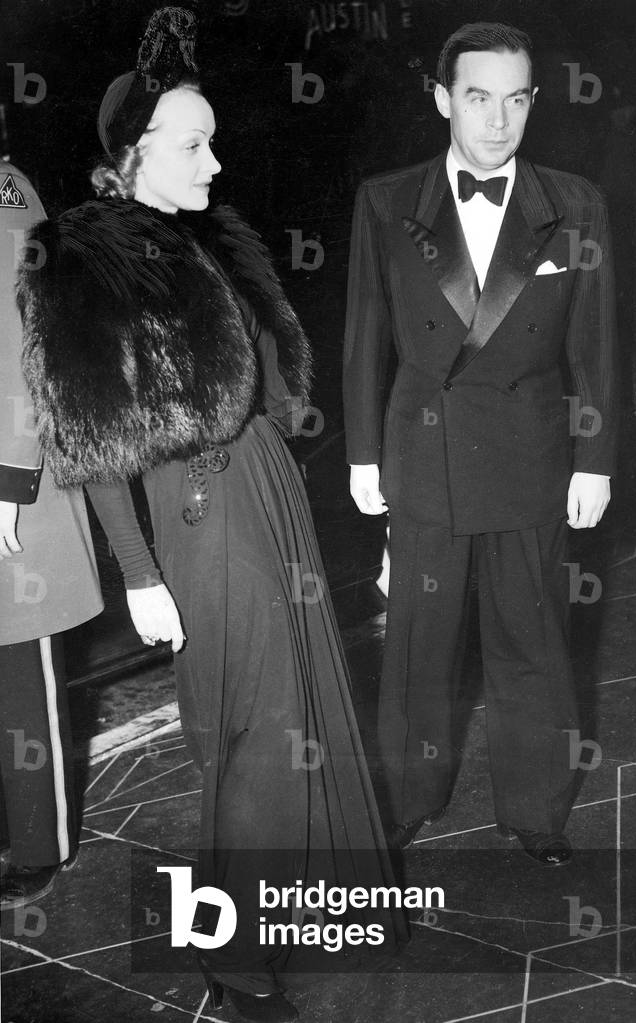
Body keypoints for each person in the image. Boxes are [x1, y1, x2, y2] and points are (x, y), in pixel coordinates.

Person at [17, 9, 404, 1020]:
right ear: (133, 155)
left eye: (214, 140)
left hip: (264, 484)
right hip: (198, 508)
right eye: (194, 145)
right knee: (255, 728)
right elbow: (94, 444)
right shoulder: (83, 258)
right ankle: (234, 961)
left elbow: (267, 383)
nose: (216, 162)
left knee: (291, 705)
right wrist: (142, 575)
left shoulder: (207, 239)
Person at [343, 22, 617, 865]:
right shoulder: (386, 200)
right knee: (418, 645)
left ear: (532, 102)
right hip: (422, 452)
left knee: (531, 640)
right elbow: (364, 337)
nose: (497, 121)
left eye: (515, 99)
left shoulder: (573, 203)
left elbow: (596, 347)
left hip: (530, 455)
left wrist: (596, 460)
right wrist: (361, 453)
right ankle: (407, 797)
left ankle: (535, 810)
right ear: (441, 100)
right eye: (476, 97)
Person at [0, 160, 103, 909]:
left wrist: (7, 479)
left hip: (13, 479)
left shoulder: (3, 194)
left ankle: (40, 842)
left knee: (18, 675)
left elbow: (24, 342)